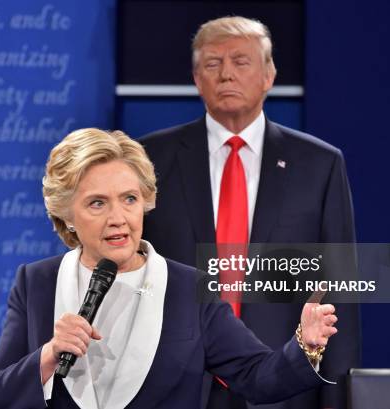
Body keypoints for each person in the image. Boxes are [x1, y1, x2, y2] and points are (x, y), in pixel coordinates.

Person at [0, 128, 339, 409]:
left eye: (129, 199)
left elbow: (257, 378)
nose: (118, 218)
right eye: (97, 203)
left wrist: (304, 346)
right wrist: (49, 355)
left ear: (145, 202)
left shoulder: (187, 289)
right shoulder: (37, 282)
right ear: (67, 217)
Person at [139, 16, 360, 409]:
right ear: (195, 77)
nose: (226, 74)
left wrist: (337, 396)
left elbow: (338, 289)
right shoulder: (149, 160)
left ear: (269, 74)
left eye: (241, 62)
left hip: (285, 385)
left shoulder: (319, 165)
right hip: (176, 386)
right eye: (213, 63)